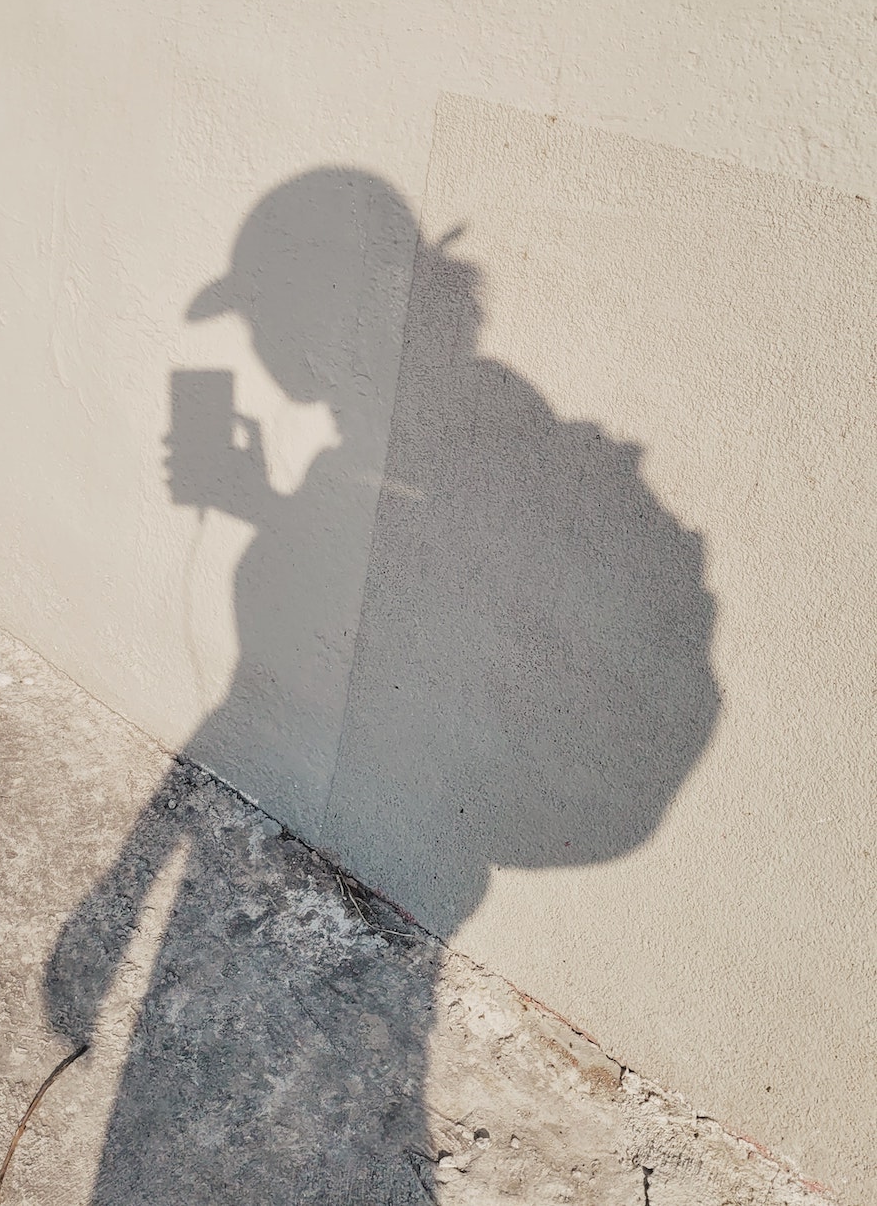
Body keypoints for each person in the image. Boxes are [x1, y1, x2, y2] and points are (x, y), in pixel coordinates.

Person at [46, 168, 719, 1202]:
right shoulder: (373, 443)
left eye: (266, 308)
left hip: (428, 847)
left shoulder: (453, 439)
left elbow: (440, 611)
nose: (263, 344)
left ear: (322, 301)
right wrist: (263, 502)